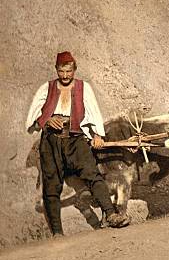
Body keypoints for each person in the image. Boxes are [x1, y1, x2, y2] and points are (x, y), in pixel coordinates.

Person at [26, 51, 129, 236]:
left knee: (92, 174)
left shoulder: (84, 88)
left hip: (75, 139)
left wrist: (97, 135)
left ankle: (111, 215)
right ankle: (57, 232)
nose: (65, 75)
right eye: (61, 71)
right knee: (51, 184)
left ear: (74, 69)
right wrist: (47, 120)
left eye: (69, 71)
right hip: (51, 141)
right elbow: (33, 114)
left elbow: (93, 111)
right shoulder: (46, 88)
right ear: (56, 70)